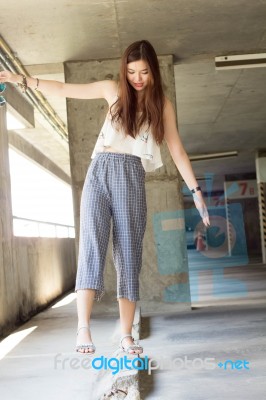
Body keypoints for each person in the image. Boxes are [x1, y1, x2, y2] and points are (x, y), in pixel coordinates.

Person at [0, 40, 210, 356]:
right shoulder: (112, 91)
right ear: (123, 71)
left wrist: (196, 192)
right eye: (131, 71)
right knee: (91, 246)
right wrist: (23, 80)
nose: (137, 78)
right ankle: (83, 330)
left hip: (131, 174)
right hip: (99, 169)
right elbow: (64, 88)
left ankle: (127, 335)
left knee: (128, 254)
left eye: (143, 72)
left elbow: (177, 150)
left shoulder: (161, 105)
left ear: (153, 71)